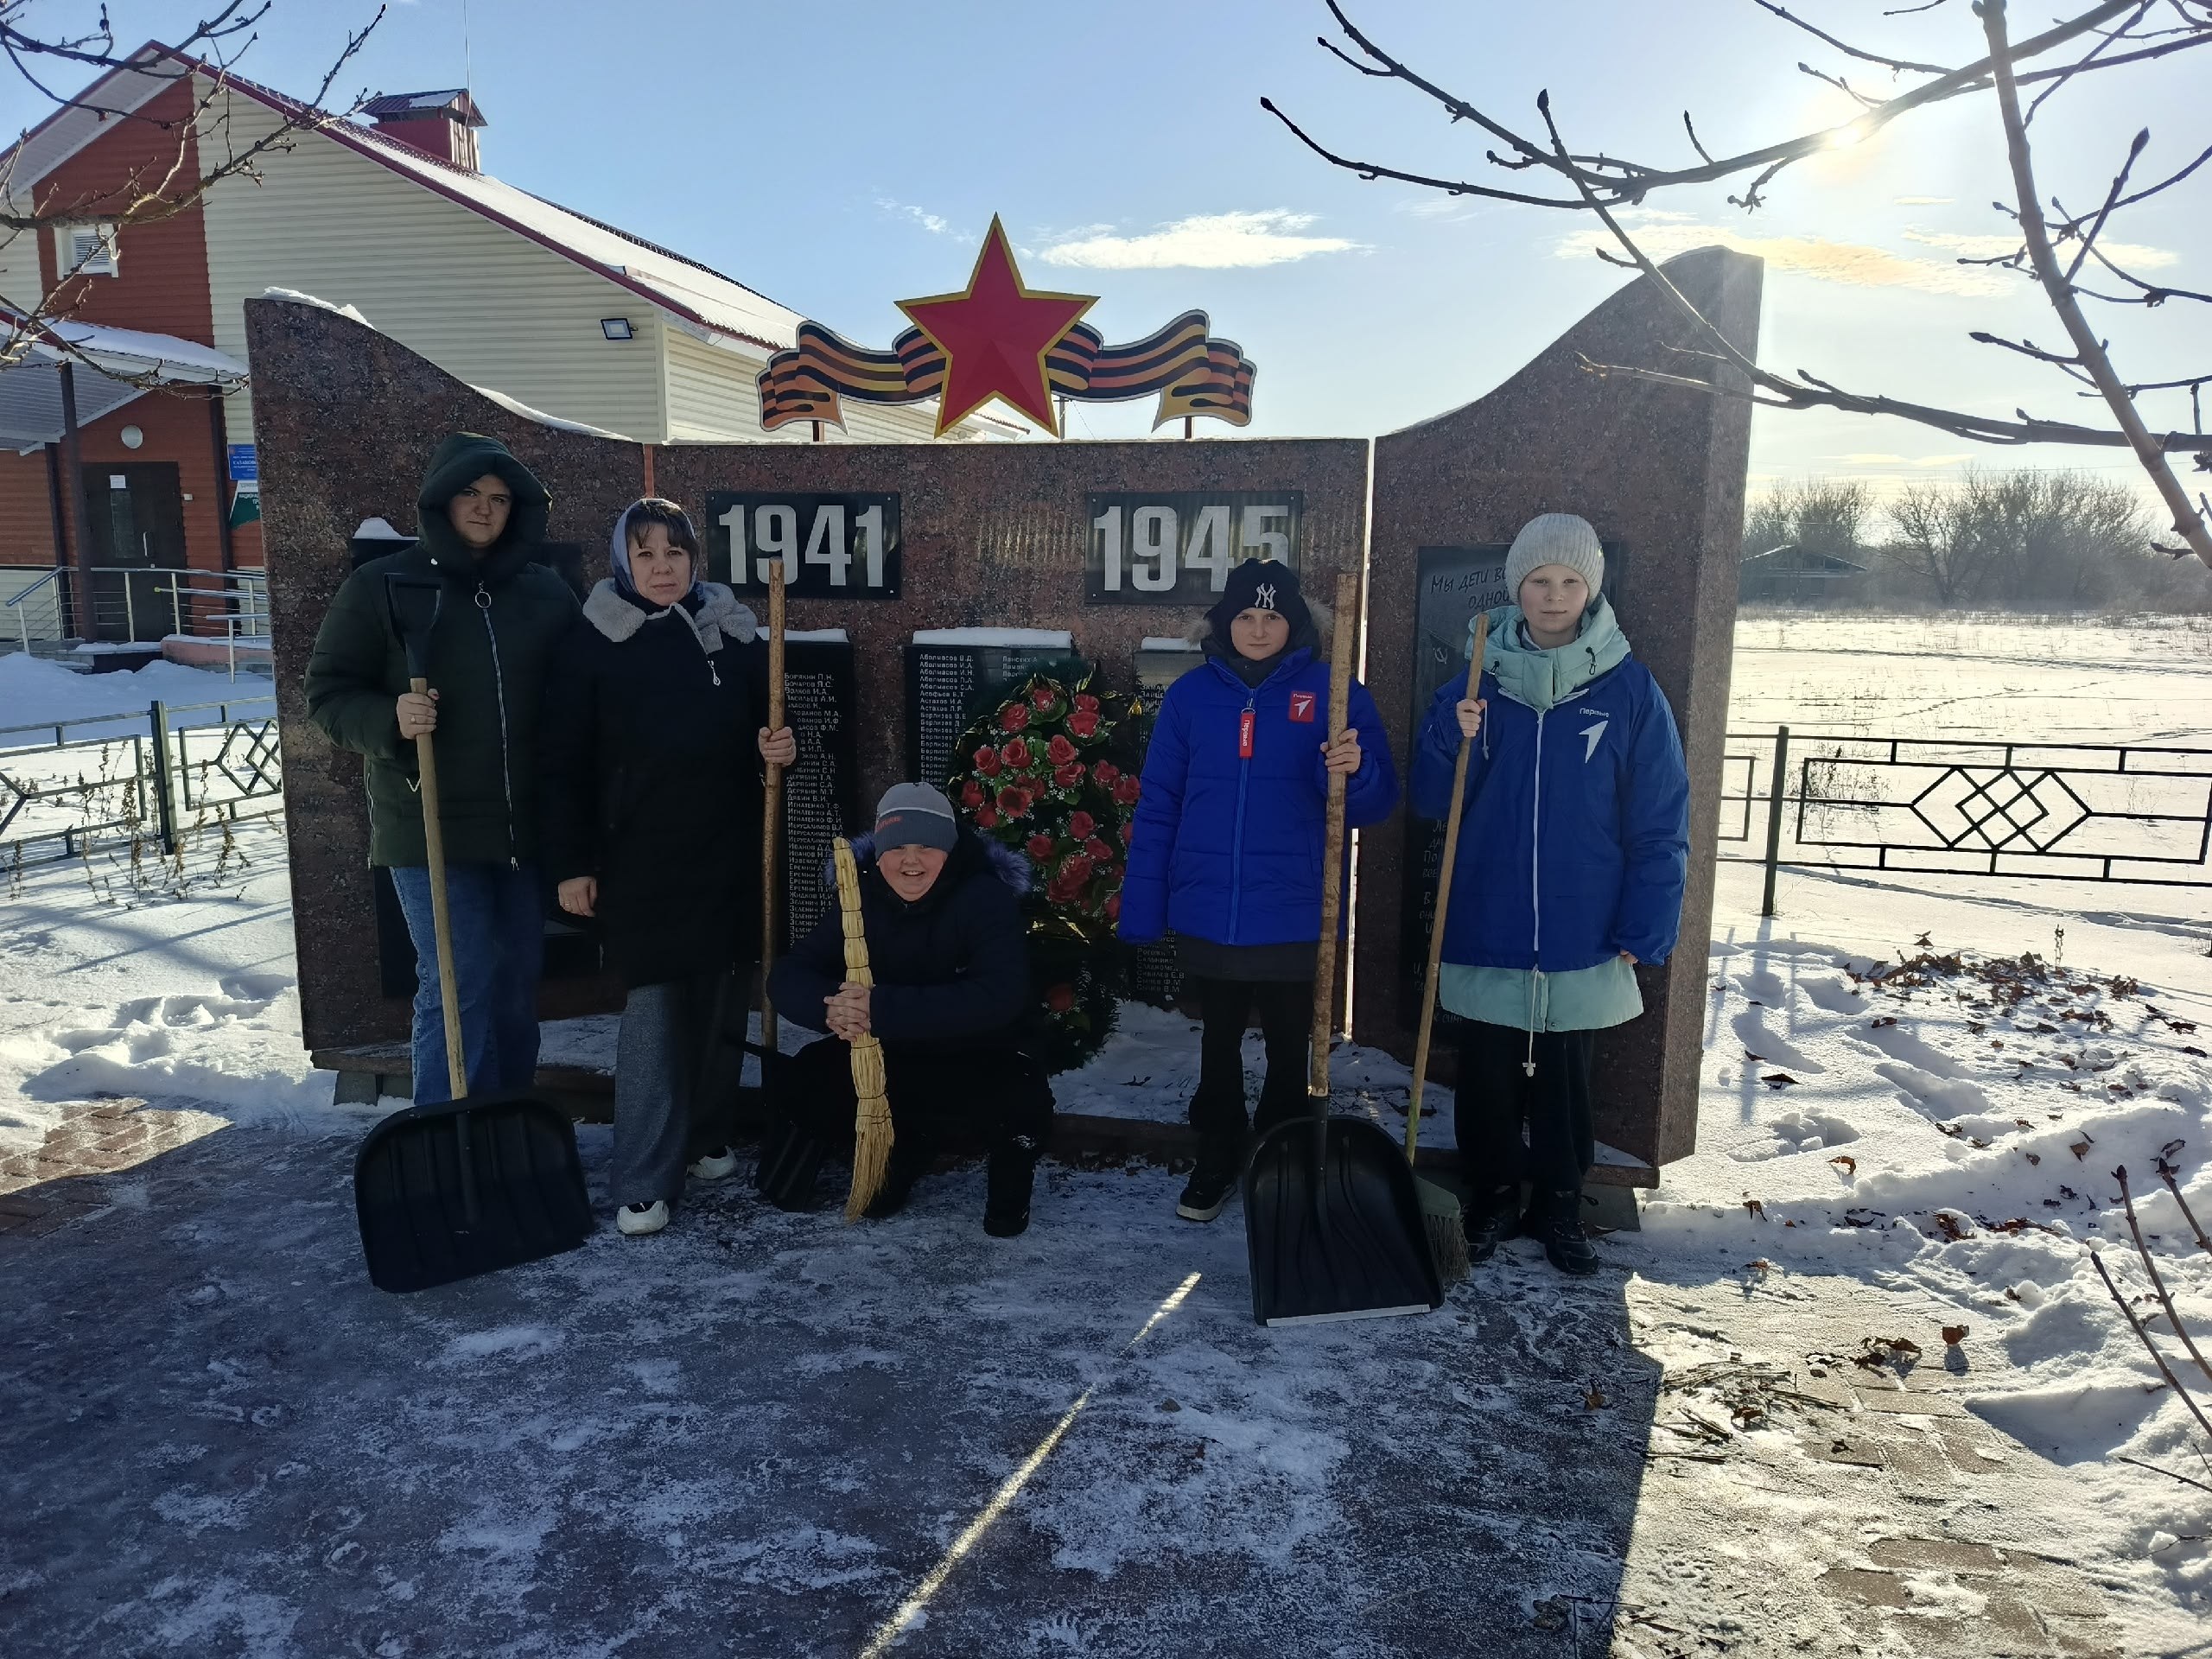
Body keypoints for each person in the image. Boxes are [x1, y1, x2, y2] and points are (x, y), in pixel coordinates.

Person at [1411, 513, 1689, 1275]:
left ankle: (1561, 1201)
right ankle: (1494, 1193)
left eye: (1569, 581)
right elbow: (1432, 799)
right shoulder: (1476, 679)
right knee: (1489, 1075)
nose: (1554, 595)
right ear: (1517, 588)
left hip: (1584, 926)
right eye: (1539, 580)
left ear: (1591, 589)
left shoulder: (1629, 688)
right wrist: (1448, 732)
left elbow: (1662, 815)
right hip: (1488, 917)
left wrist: (1648, 922)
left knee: (1568, 1078)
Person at [537, 499, 798, 1237]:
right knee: (654, 1014)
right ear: (623, 562)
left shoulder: (735, 636)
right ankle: (644, 1177)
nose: (662, 568)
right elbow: (561, 767)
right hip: (639, 861)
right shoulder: (593, 643)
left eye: (675, 554)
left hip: (726, 853)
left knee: (720, 1002)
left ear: (695, 562)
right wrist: (571, 865)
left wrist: (780, 748)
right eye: (646, 554)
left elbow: (771, 724)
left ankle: (707, 1136)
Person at [1116, 558, 1400, 1224]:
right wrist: (1143, 906)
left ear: (1294, 622)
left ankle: (1279, 1147)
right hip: (1209, 903)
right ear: (1224, 621)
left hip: (1294, 905)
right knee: (1217, 1037)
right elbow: (1159, 803)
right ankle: (1216, 1148)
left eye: (1272, 616)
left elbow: (1378, 799)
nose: (1258, 628)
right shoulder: (1191, 698)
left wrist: (1355, 772)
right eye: (1246, 614)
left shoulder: (1333, 692)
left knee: (1287, 1038)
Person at [304, 432, 577, 1103]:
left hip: (520, 831)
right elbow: (329, 694)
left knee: (515, 981)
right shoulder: (383, 585)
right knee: (459, 981)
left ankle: (508, 1129)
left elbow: (586, 694)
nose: (485, 510)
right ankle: (448, 1136)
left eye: (500, 498)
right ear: (439, 499)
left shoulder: (544, 593)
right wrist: (390, 719)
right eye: (470, 494)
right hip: (428, 825)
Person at [758, 783, 1050, 1237]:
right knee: (806, 1078)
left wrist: (880, 1007)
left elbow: (1000, 994)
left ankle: (1010, 1191)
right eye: (897, 847)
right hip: (887, 1055)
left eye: (926, 847)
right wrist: (832, 1007)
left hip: (975, 1054)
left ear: (949, 851)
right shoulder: (860, 898)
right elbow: (790, 973)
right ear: (878, 853)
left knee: (1020, 1096)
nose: (911, 862)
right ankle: (902, 1149)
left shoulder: (982, 898)